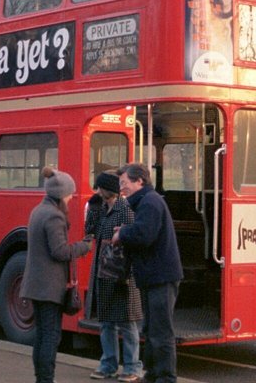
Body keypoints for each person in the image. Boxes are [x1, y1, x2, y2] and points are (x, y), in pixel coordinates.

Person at [112, 163, 183, 383]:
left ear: (139, 181)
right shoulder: (148, 201)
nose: (121, 188)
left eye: (124, 183)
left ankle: (165, 377)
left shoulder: (150, 202)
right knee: (151, 329)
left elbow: (144, 235)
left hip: (160, 276)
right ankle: (153, 374)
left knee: (160, 331)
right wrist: (126, 231)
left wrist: (122, 233)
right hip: (155, 276)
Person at [20, 167, 92, 383]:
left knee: (41, 335)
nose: (71, 198)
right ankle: (46, 379)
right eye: (70, 194)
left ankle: (41, 378)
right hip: (49, 287)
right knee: (51, 336)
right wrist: (84, 246)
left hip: (36, 284)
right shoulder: (54, 216)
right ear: (61, 194)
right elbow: (59, 251)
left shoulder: (38, 210)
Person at [85, 172, 143, 382]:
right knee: (107, 322)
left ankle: (132, 367)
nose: (97, 192)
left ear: (106, 189)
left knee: (127, 322)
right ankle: (108, 364)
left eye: (99, 188)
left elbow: (131, 239)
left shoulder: (125, 210)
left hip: (121, 273)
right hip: (103, 272)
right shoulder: (101, 209)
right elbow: (90, 230)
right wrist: (92, 208)